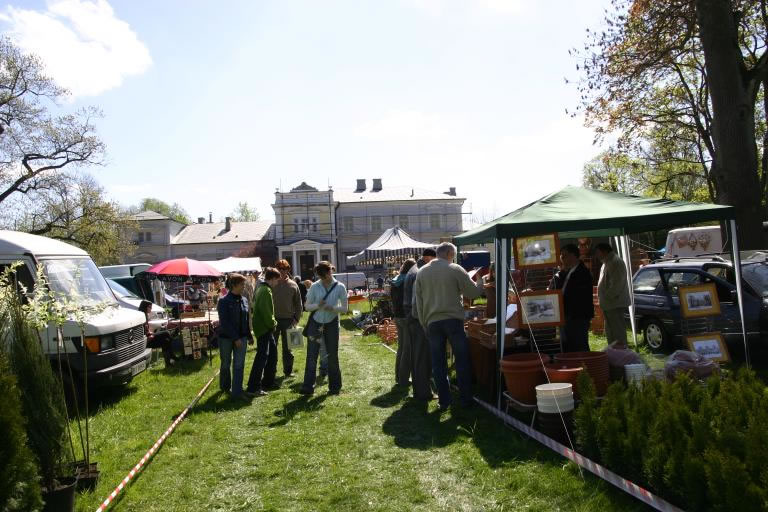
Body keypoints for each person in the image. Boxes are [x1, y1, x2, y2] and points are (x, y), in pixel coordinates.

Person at [414, 243, 482, 409]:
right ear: (450, 254)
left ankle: (444, 401)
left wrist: (424, 324)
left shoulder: (422, 272)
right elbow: (473, 293)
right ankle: (465, 399)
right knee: (461, 360)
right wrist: (481, 281)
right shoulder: (455, 269)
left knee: (438, 364)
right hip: (453, 321)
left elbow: (419, 303)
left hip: (432, 322)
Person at [300, 261, 348, 395]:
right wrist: (318, 305)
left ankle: (335, 387)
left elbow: (345, 308)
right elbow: (307, 307)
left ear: (330, 271)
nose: (323, 279)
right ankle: (307, 387)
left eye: (324, 275)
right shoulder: (315, 287)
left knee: (332, 356)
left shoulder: (340, 287)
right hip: (315, 323)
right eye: (320, 276)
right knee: (311, 356)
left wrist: (332, 308)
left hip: (332, 323)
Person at [403, 248, 437, 401]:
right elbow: (418, 300)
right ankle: (423, 392)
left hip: (412, 317)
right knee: (422, 357)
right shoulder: (420, 272)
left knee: (417, 356)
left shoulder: (414, 269)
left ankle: (420, 391)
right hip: (417, 318)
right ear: (429, 258)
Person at [551, 244, 595, 353]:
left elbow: (576, 295)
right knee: (569, 344)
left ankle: (585, 363)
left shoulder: (583, 272)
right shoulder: (566, 271)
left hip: (578, 315)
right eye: (561, 256)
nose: (561, 258)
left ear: (573, 256)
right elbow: (557, 288)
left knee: (579, 344)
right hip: (567, 314)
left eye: (564, 255)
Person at [216, 273, 253, 400]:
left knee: (239, 364)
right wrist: (235, 338)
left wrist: (249, 336)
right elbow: (225, 322)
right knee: (226, 364)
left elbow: (246, 320)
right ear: (234, 285)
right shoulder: (223, 301)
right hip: (226, 338)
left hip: (242, 337)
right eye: (242, 284)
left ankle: (237, 391)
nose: (244, 286)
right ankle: (225, 387)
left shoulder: (244, 300)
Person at [246, 267, 280, 397]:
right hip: (264, 328)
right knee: (262, 357)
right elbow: (267, 312)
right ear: (272, 279)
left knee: (272, 354)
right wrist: (273, 324)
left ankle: (268, 382)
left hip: (264, 327)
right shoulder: (265, 291)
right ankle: (253, 387)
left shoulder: (262, 288)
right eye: (277, 280)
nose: (277, 283)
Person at [595, 242, 631, 347]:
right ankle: (613, 352)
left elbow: (617, 285)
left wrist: (606, 297)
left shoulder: (616, 262)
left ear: (604, 251)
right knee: (610, 331)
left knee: (618, 332)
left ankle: (621, 353)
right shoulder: (607, 262)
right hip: (609, 304)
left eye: (598, 252)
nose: (597, 255)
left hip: (615, 304)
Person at [272, 260, 303, 378]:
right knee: (272, 348)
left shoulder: (293, 284)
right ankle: (271, 372)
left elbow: (298, 303)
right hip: (273, 320)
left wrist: (296, 318)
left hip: (289, 320)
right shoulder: (271, 284)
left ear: (288, 270)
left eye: (284, 269)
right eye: (279, 268)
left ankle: (288, 371)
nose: (281, 271)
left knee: (289, 348)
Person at [391, 259, 417, 387]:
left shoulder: (396, 279)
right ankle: (403, 379)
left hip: (397, 315)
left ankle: (398, 376)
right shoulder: (409, 279)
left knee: (401, 347)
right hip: (406, 316)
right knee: (407, 349)